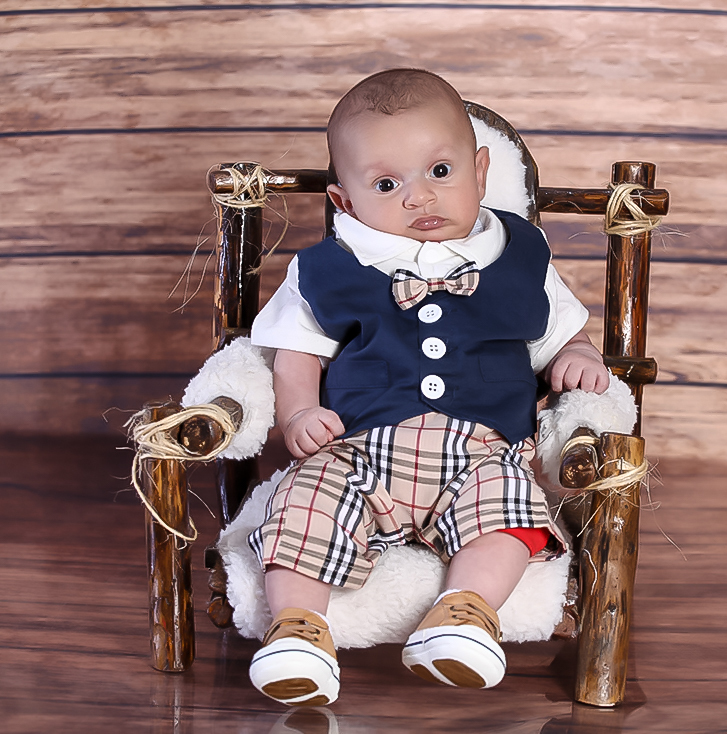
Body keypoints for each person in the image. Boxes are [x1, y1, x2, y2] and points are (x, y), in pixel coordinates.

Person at [246, 68, 609, 706]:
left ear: (481, 170)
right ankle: (297, 630)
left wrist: (576, 355)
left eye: (440, 171)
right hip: (358, 450)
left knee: (509, 509)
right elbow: (295, 352)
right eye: (388, 185)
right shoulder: (328, 268)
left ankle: (464, 615)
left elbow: (561, 330)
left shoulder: (520, 255)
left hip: (484, 451)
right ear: (344, 202)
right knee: (305, 500)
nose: (420, 197)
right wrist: (299, 411)